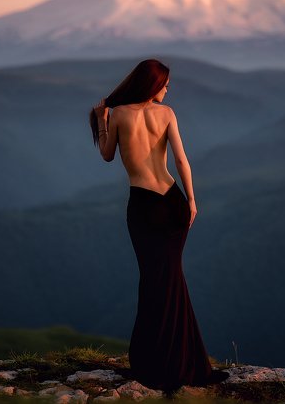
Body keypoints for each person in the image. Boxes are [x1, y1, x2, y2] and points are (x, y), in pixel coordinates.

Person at [89, 58, 228, 394]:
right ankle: (187, 363)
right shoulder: (166, 114)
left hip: (144, 206)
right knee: (172, 278)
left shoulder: (119, 114)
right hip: (173, 201)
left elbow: (108, 155)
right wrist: (192, 200)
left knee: (154, 280)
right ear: (153, 85)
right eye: (165, 83)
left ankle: (154, 362)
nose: (168, 89)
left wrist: (103, 121)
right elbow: (181, 160)